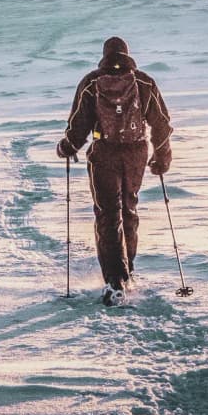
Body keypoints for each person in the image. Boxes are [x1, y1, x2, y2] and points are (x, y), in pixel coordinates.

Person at [57, 37, 172, 306]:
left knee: (107, 216)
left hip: (104, 153)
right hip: (136, 153)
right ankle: (128, 274)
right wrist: (161, 157)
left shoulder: (91, 82)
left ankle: (114, 281)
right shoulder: (143, 82)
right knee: (129, 210)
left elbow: (79, 125)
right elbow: (162, 124)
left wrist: (67, 147)